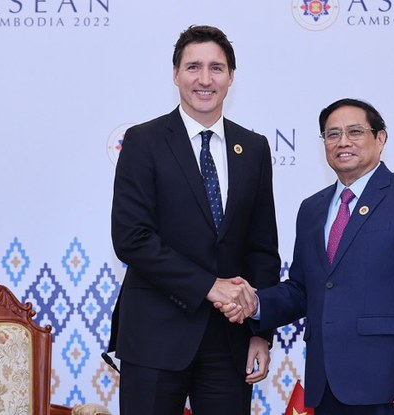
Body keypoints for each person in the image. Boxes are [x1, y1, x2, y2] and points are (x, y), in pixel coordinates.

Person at [218, 98, 394, 415]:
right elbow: (302, 289)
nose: (343, 142)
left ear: (380, 138)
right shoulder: (312, 209)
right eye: (332, 134)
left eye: (355, 132)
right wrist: (255, 303)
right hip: (327, 384)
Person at [108, 25, 280, 415]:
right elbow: (132, 238)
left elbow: (262, 248)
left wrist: (260, 331)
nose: (205, 79)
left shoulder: (253, 148)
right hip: (155, 336)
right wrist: (210, 287)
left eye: (216, 68)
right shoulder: (143, 141)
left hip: (230, 340)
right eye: (193, 67)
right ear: (175, 74)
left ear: (231, 77)